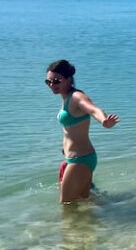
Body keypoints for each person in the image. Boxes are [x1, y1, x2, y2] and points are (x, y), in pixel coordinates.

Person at [46, 59, 120, 204]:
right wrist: (65, 149)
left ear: (68, 79)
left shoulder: (76, 97)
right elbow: (71, 130)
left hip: (80, 159)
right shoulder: (66, 98)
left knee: (67, 204)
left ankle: (69, 227)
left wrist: (104, 121)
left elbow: (93, 109)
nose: (52, 85)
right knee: (84, 201)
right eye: (48, 82)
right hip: (77, 158)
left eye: (56, 81)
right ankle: (91, 224)